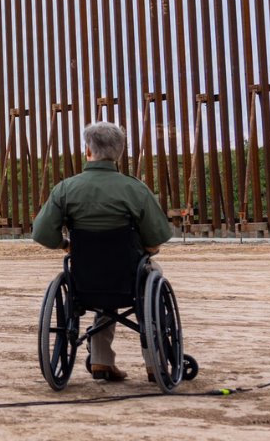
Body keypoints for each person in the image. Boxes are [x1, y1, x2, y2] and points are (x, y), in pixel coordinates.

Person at [31, 121, 172, 382]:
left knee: (101, 295)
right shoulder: (135, 189)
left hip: (85, 278)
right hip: (128, 277)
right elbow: (157, 237)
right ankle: (155, 363)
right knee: (153, 274)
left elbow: (41, 233)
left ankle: (101, 361)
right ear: (119, 154)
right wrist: (146, 248)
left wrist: (65, 244)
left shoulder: (65, 189)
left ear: (88, 151)